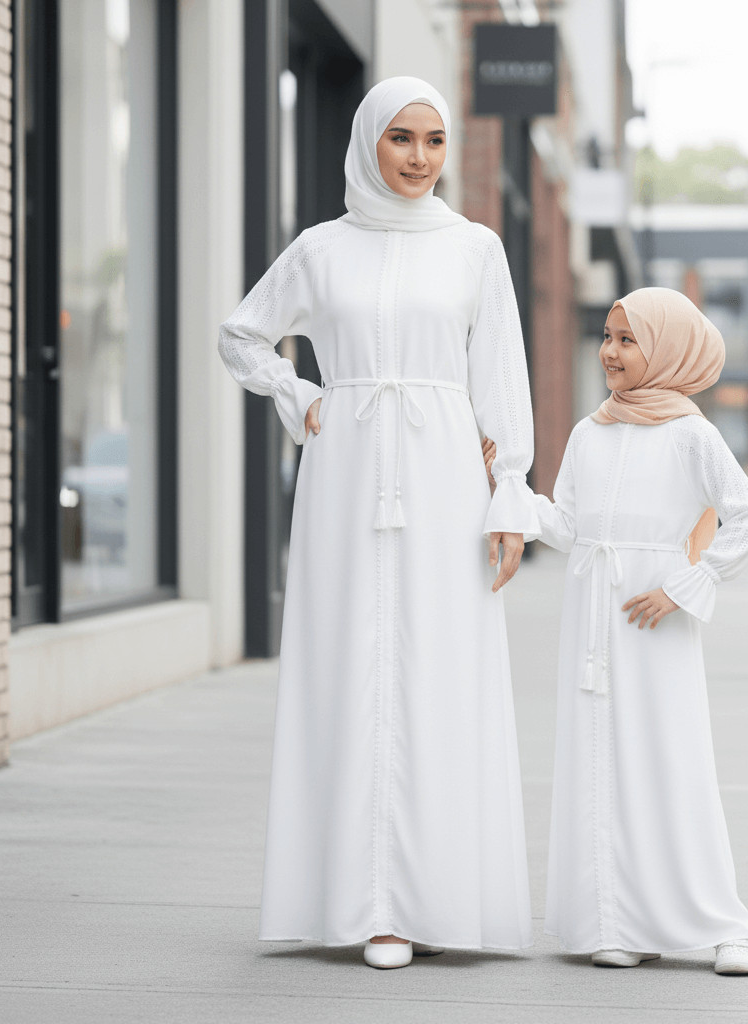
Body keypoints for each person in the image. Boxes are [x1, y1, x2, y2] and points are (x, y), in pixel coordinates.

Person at [218, 77, 539, 970]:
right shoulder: (323, 249)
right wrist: (301, 392)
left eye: (435, 141)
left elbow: (503, 377)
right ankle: (367, 905)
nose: (419, 158)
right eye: (402, 138)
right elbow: (242, 335)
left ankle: (436, 897)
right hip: (346, 476)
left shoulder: (475, 248)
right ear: (369, 141)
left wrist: (510, 490)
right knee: (348, 667)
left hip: (445, 478)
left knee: (442, 669)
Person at [488, 288, 748, 975]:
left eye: (627, 339)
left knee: (670, 763)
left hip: (654, 623)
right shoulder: (591, 432)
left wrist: (685, 585)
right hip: (591, 619)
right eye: (608, 338)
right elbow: (570, 526)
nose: (610, 352)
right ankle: (612, 920)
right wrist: (506, 486)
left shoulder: (693, 434)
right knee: (597, 764)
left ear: (667, 348)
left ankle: (723, 924)